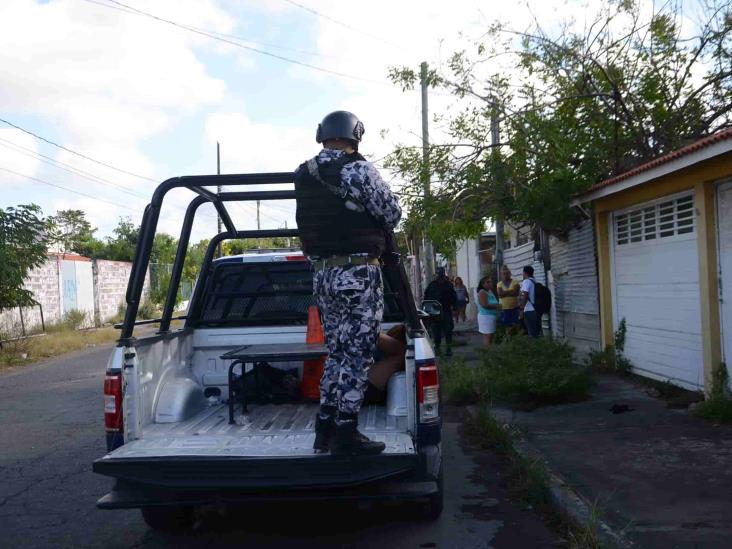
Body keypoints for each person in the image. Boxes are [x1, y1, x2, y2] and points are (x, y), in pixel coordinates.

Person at [294, 110, 402, 456]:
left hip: (323, 275)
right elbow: (391, 213)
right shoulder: (358, 169)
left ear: (322, 134)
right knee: (357, 356)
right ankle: (346, 434)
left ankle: (323, 429)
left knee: (337, 354)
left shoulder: (304, 173)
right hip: (357, 274)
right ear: (355, 135)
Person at [424, 267, 457, 356]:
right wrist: (428, 309)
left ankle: (448, 348)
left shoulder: (448, 284)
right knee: (436, 330)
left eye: (441, 273)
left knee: (448, 330)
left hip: (446, 310)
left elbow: (453, 297)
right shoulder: (432, 285)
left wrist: (454, 308)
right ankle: (437, 347)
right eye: (439, 274)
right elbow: (426, 297)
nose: (440, 275)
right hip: (435, 311)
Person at [496, 266, 521, 336]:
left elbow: (515, 293)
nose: (505, 275)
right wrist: (510, 291)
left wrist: (505, 292)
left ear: (510, 274)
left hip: (514, 307)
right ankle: (509, 339)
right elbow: (500, 294)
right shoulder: (499, 284)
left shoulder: (515, 282)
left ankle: (517, 339)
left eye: (507, 273)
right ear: (501, 275)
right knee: (507, 325)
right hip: (504, 308)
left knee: (516, 324)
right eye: (503, 274)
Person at [519, 265, 542, 338]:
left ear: (525, 273)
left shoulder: (526, 281)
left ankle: (532, 348)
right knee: (536, 333)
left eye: (523, 272)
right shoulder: (535, 281)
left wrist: (522, 309)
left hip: (529, 310)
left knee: (531, 334)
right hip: (537, 310)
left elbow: (525, 295)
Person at [476, 275, 499, 346]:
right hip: (486, 317)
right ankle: (487, 355)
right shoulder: (482, 292)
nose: (490, 283)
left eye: (491, 282)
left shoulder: (489, 291)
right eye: (487, 282)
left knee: (490, 337)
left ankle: (487, 353)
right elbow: (484, 305)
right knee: (488, 337)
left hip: (491, 316)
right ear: (483, 284)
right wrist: (497, 306)